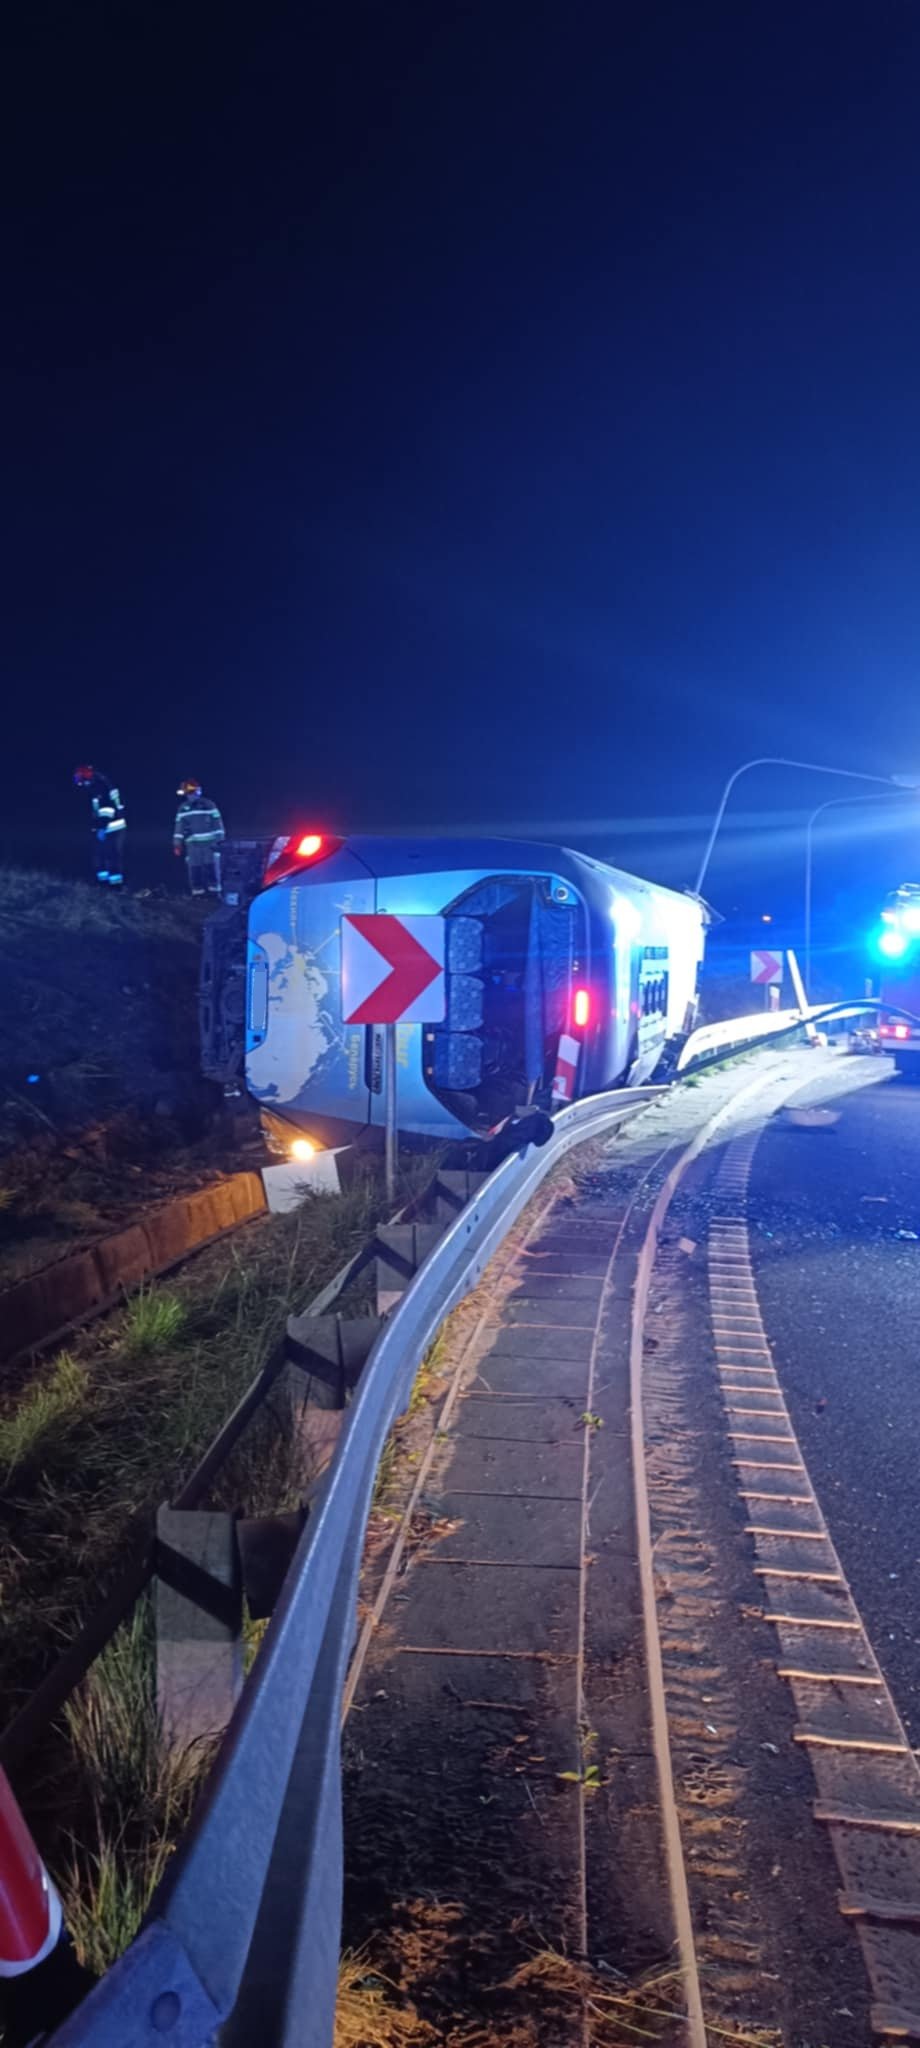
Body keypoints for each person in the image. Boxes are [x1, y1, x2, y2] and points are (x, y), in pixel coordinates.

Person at [73, 766, 127, 885]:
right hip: (112, 826)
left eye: (80, 779)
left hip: (111, 827)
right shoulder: (102, 783)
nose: (80, 783)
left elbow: (106, 808)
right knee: (104, 856)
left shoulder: (100, 786)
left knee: (109, 856)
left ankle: (114, 887)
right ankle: (105, 885)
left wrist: (102, 828)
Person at [173, 780, 225, 895]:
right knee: (194, 868)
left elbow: (218, 824)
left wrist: (220, 841)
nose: (190, 796)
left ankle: (215, 892)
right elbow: (179, 828)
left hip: (211, 844)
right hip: (192, 845)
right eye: (188, 793)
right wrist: (177, 844)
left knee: (212, 867)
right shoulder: (183, 808)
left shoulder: (209, 805)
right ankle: (198, 892)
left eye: (191, 793)